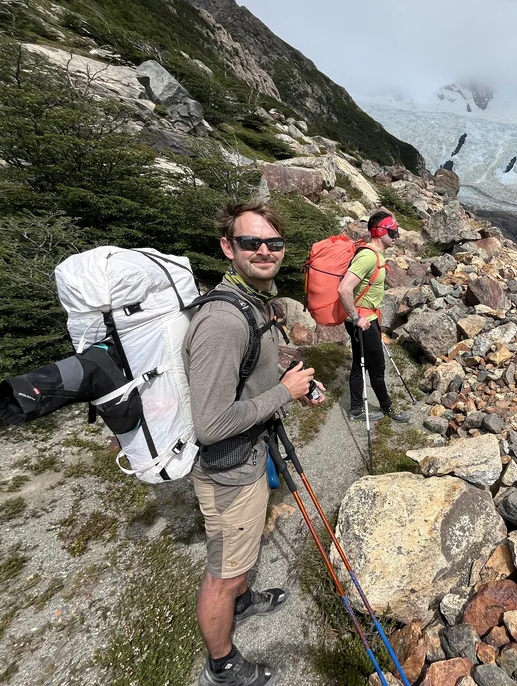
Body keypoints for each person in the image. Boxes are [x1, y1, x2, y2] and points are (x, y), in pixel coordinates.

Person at [184, 199, 325, 686]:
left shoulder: (254, 300)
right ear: (228, 247)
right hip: (229, 468)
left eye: (274, 242)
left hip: (250, 455)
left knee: (239, 557)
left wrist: (289, 380)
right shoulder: (223, 321)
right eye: (250, 242)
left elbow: (251, 374)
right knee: (223, 572)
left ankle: (244, 602)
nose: (264, 250)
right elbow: (211, 423)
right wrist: (283, 393)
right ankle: (222, 665)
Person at [336, 210, 410, 424]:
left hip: (367, 319)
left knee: (361, 365)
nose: (396, 236)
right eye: (393, 232)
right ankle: (387, 408)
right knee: (377, 367)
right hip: (363, 323)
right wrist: (357, 317)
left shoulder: (376, 254)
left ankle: (357, 408)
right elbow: (344, 289)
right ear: (380, 232)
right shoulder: (368, 256)